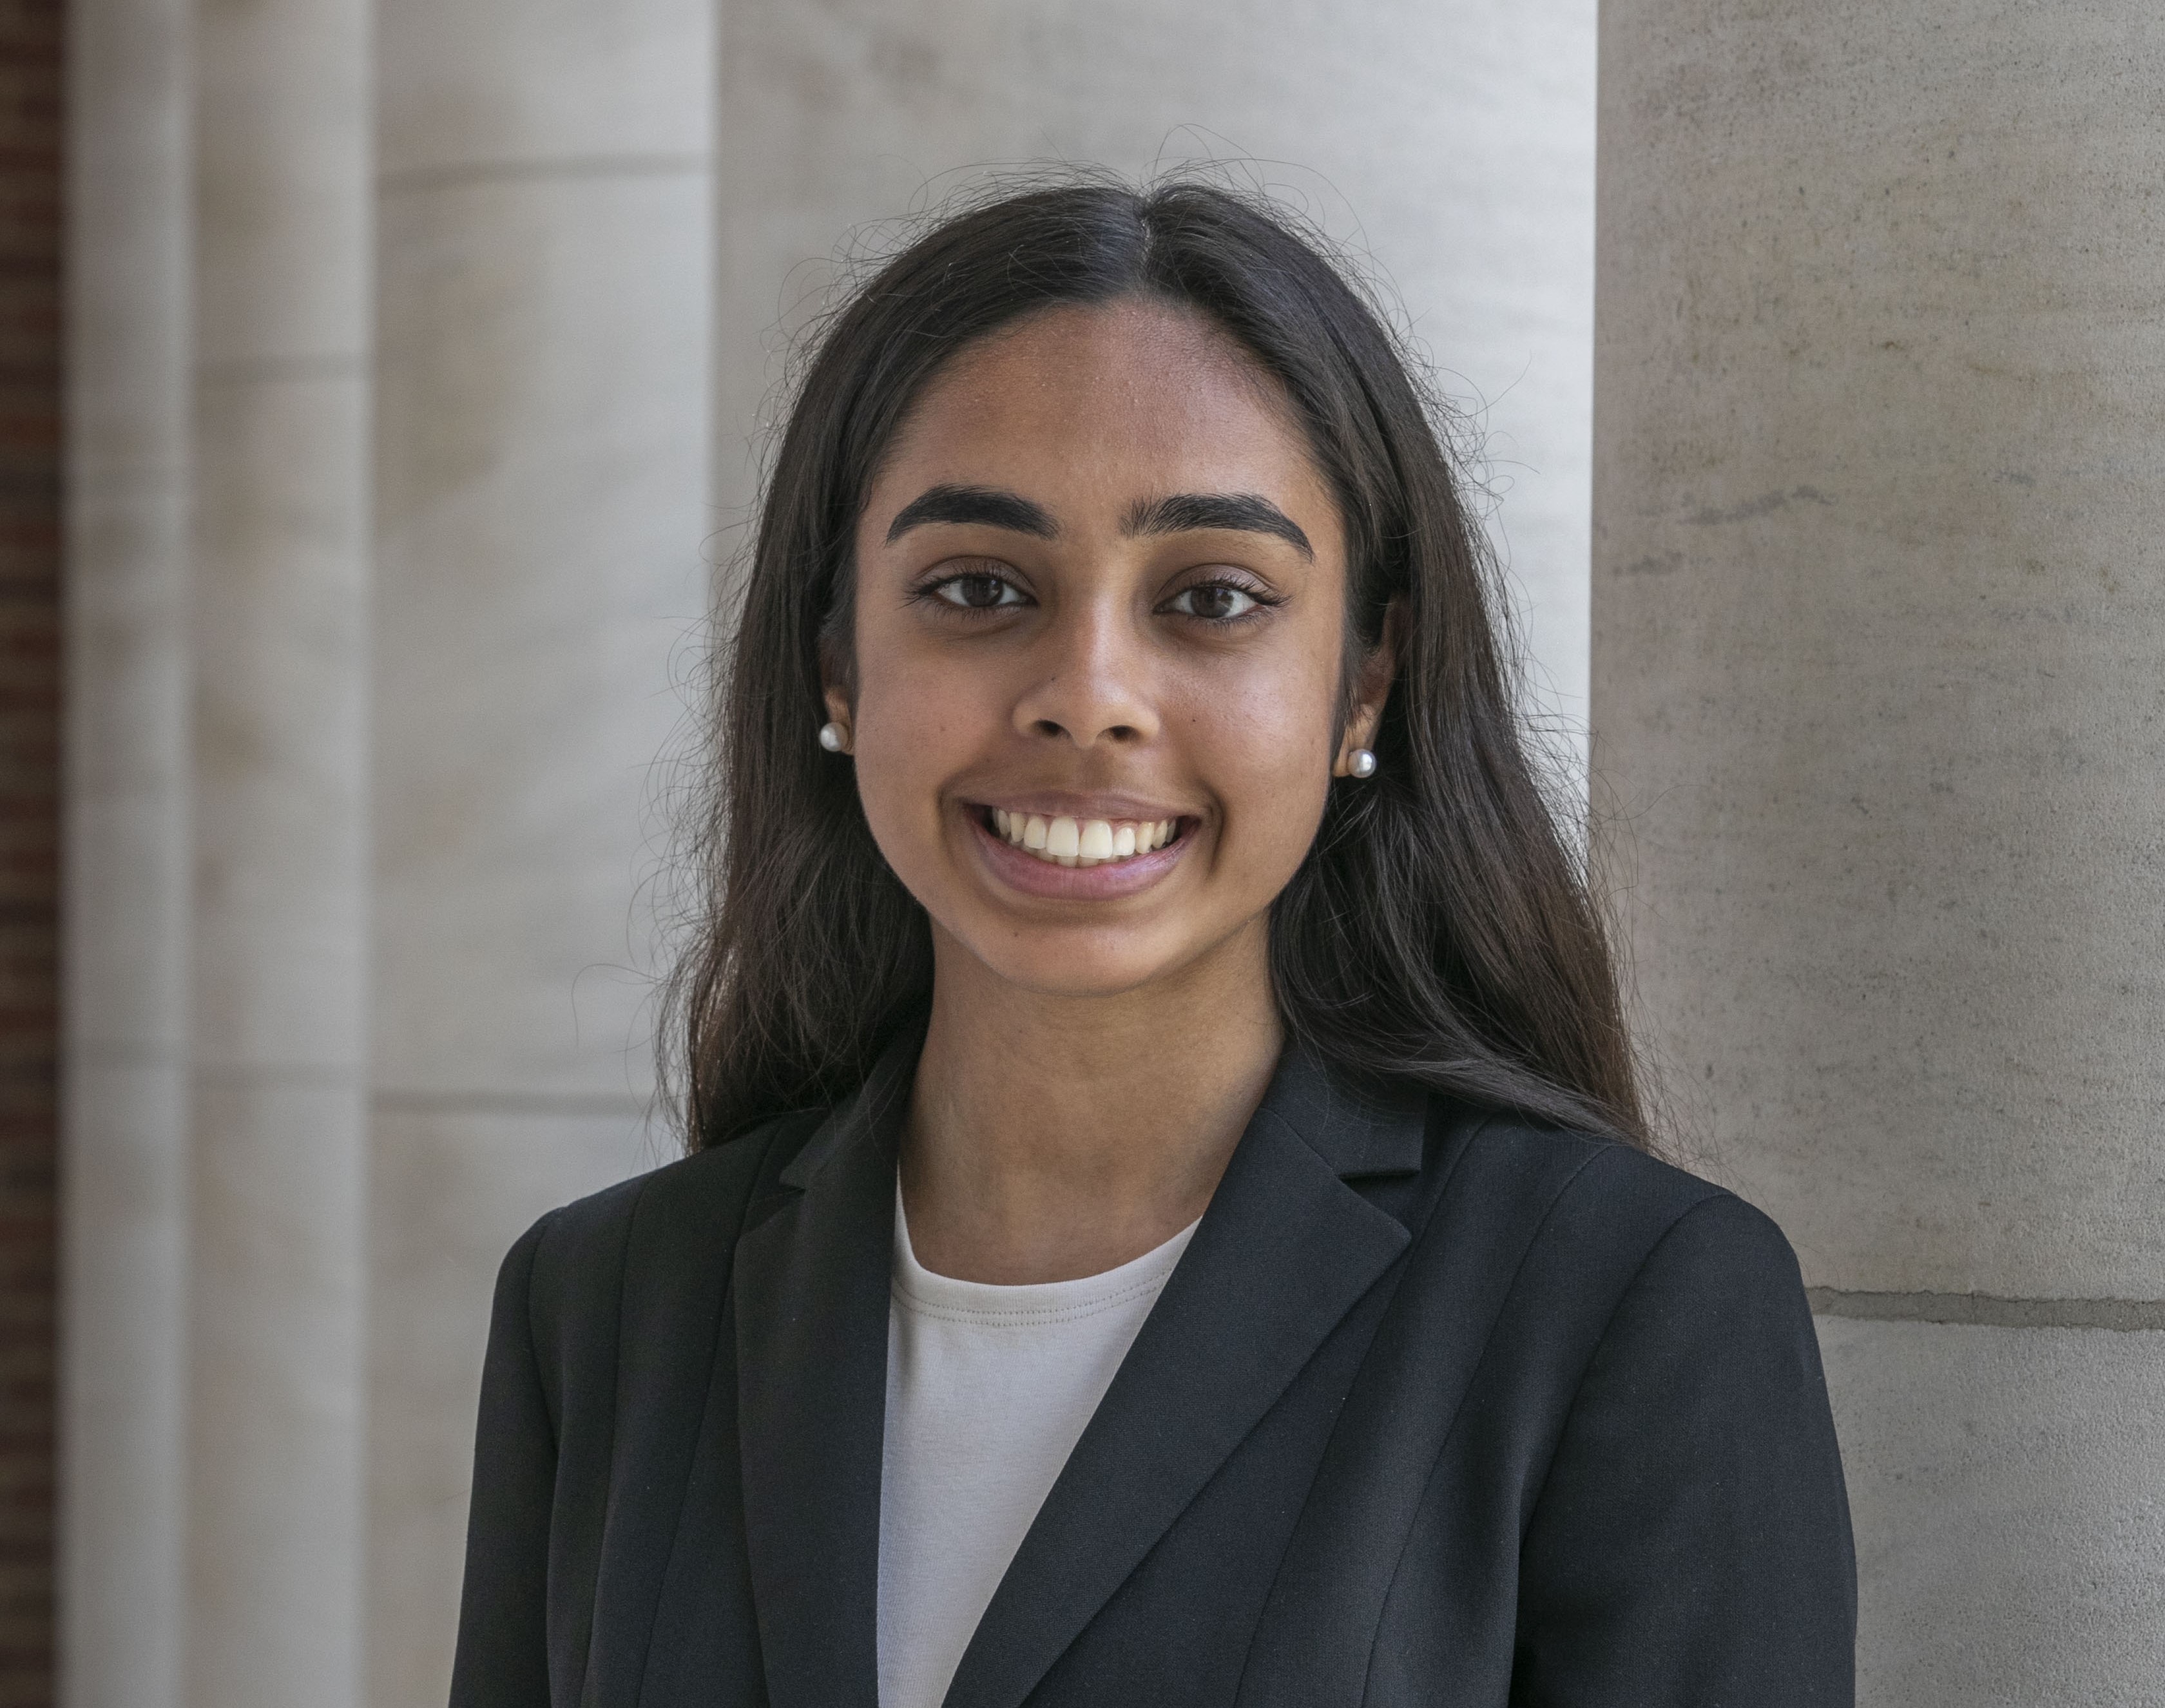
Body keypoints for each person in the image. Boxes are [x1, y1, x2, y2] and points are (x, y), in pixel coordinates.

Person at [447, 178, 1856, 1708]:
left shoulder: (1621, 1305)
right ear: (838, 664)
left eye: (1213, 599)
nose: (1089, 692)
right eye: (980, 589)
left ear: (1366, 684)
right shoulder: (604, 1312)